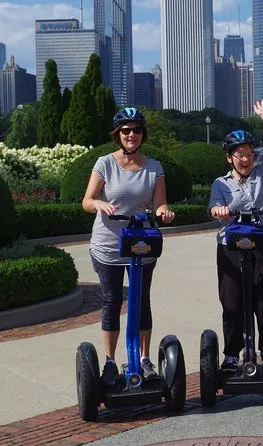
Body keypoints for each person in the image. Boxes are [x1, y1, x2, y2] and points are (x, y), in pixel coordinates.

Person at [82, 107, 176, 386]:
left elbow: (159, 204)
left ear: (142, 134)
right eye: (126, 130)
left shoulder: (154, 167)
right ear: (118, 134)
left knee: (141, 300)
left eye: (136, 130)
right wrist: (98, 203)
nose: (131, 135)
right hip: (108, 245)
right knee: (112, 301)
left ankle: (144, 359)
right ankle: (110, 362)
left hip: (142, 244)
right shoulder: (104, 164)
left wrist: (164, 213)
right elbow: (87, 201)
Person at [208, 99, 263, 373]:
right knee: (232, 301)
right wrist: (219, 210)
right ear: (229, 157)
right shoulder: (221, 183)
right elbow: (214, 207)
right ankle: (231, 353)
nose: (245, 159)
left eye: (249, 153)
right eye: (239, 154)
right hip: (231, 244)